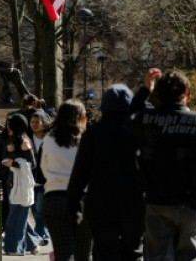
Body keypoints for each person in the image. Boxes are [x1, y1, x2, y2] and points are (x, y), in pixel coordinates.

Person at [129, 69, 196, 261]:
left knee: (158, 255)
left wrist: (145, 90)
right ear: (185, 94)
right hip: (187, 202)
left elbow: (130, 117)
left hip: (156, 201)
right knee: (188, 255)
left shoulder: (146, 120)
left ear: (157, 94)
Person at [68, 84, 145, 261]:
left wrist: (74, 204)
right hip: (132, 204)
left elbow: (80, 172)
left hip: (100, 204)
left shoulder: (93, 134)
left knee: (103, 251)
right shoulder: (137, 132)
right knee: (133, 251)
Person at [41, 100, 91, 261]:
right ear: (82, 117)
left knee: (63, 253)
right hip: (81, 198)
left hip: (54, 198)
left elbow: (43, 168)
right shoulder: (86, 139)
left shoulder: (49, 139)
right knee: (83, 253)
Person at [1, 113, 40, 255]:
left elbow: (32, 164)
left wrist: (14, 163)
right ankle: (33, 242)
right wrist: (8, 152)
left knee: (16, 216)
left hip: (21, 183)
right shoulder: (13, 140)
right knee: (17, 214)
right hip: (12, 180)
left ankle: (15, 248)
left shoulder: (24, 142)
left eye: (10, 124)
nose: (7, 127)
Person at [29, 110, 51, 246]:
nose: (34, 125)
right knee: (34, 209)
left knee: (40, 209)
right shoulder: (27, 138)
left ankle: (41, 235)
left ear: (44, 123)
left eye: (37, 122)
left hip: (45, 179)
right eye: (32, 122)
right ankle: (41, 233)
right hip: (30, 179)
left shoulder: (50, 138)